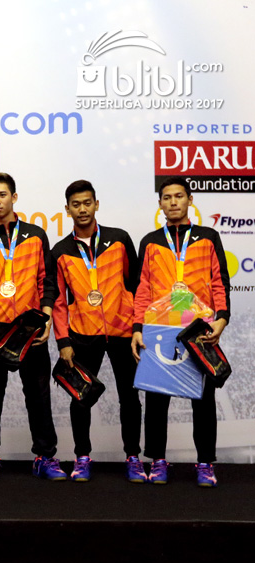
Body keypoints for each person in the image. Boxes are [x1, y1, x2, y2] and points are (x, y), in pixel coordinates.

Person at [130, 175, 230, 487]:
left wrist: (222, 319)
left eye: (179, 196)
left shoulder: (208, 237)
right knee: (156, 398)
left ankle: (205, 463)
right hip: (160, 329)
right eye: (167, 197)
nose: (173, 202)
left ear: (190, 200)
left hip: (198, 330)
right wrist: (137, 328)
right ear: (160, 203)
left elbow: (220, 281)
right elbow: (142, 289)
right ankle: (158, 461)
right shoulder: (150, 241)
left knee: (204, 399)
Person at [47, 180, 143, 483]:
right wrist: (63, 341)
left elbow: (135, 286)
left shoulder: (119, 240)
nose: (82, 209)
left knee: (130, 397)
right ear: (67, 209)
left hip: (122, 333)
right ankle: (82, 457)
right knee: (81, 397)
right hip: (83, 335)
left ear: (96, 204)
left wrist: (137, 326)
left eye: (87, 203)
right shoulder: (60, 251)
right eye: (76, 204)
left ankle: (133, 457)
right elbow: (58, 302)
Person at [0, 172, 65, 481]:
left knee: (39, 396)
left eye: (2, 195)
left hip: (29, 329)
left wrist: (46, 317)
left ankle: (45, 457)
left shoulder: (36, 235)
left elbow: (46, 280)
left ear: (13, 197)